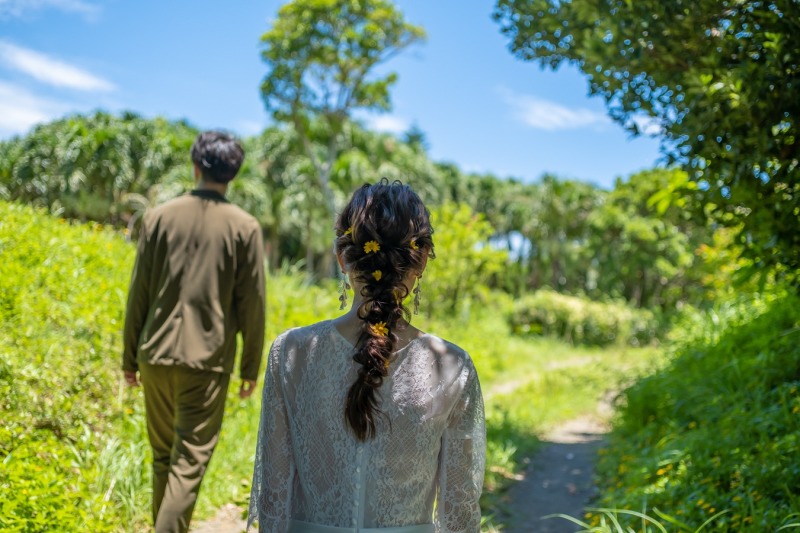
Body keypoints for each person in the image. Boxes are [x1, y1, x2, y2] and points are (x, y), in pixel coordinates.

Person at [249, 179, 485, 533]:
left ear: (343, 257)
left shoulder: (291, 352)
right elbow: (459, 512)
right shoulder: (452, 366)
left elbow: (274, 496)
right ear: (420, 262)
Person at [122, 130, 266, 533]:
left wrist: (129, 356)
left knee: (164, 460)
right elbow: (252, 304)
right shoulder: (245, 227)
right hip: (206, 363)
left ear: (196, 165)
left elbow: (139, 295)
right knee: (188, 466)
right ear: (233, 174)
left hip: (154, 356)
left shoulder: (158, 217)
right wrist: (250, 366)